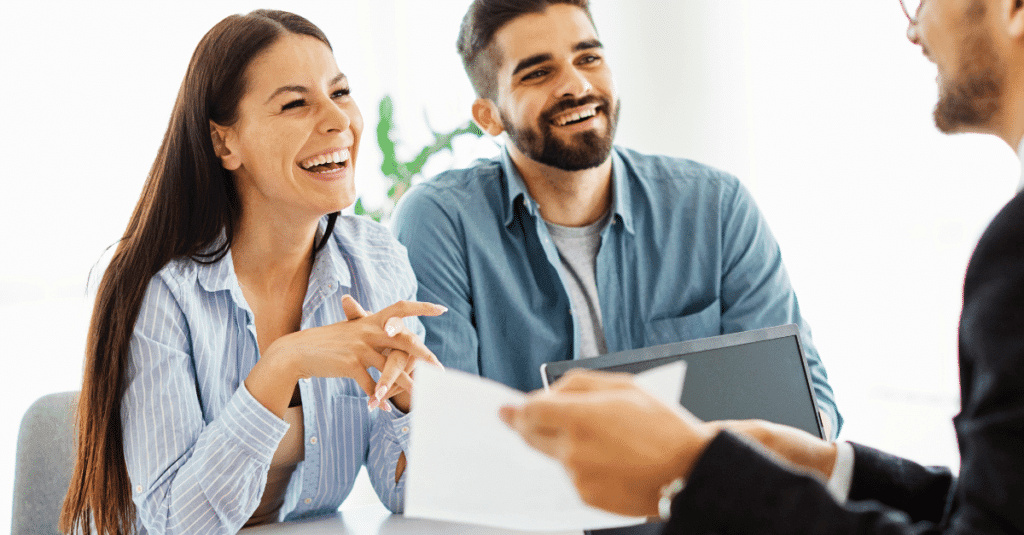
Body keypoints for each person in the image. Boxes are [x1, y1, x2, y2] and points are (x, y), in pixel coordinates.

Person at [499, 0, 1024, 532]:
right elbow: (999, 511)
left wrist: (697, 470)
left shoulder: (1015, 250)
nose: (914, 28)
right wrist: (832, 466)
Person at [59, 10, 447, 535]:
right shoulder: (162, 292)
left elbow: (405, 494)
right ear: (225, 144)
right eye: (294, 103)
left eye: (340, 92)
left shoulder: (373, 259)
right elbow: (177, 523)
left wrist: (410, 404)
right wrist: (283, 363)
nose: (338, 121)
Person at [391, 0, 842, 438]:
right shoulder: (440, 222)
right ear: (489, 117)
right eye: (538, 72)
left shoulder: (716, 207)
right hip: (533, 513)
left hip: (706, 503)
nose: (576, 85)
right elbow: (451, 435)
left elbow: (808, 405)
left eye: (588, 58)